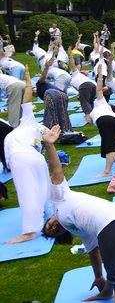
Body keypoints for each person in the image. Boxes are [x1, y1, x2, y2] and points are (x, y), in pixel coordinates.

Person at [40, 126, 115, 303]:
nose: (53, 226)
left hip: (113, 221)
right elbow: (93, 252)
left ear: (49, 218)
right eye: (53, 231)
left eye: (49, 225)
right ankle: (107, 292)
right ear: (62, 233)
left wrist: (49, 145)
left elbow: (56, 172)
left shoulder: (59, 199)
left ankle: (113, 291)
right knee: (113, 264)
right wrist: (99, 277)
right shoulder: (79, 229)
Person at [3, 71, 50, 245]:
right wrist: (29, 82)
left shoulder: (29, 123)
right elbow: (28, 100)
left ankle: (30, 231)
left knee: (27, 193)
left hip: (21, 156)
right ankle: (47, 213)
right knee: (43, 186)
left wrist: (29, 82)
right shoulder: (33, 126)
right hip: (35, 158)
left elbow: (27, 101)